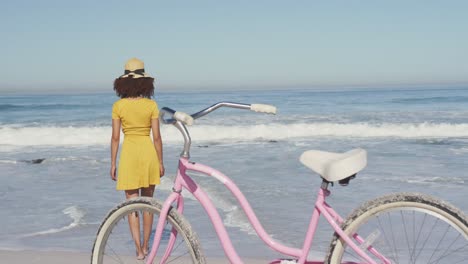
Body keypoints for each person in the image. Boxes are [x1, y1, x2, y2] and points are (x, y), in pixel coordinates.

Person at [110, 58, 165, 260]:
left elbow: (115, 138)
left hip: (129, 155)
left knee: (132, 203)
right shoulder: (151, 105)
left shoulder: (118, 106)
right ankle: (146, 244)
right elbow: (157, 137)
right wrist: (160, 161)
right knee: (148, 203)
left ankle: (139, 250)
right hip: (148, 153)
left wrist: (112, 163)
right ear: (144, 82)